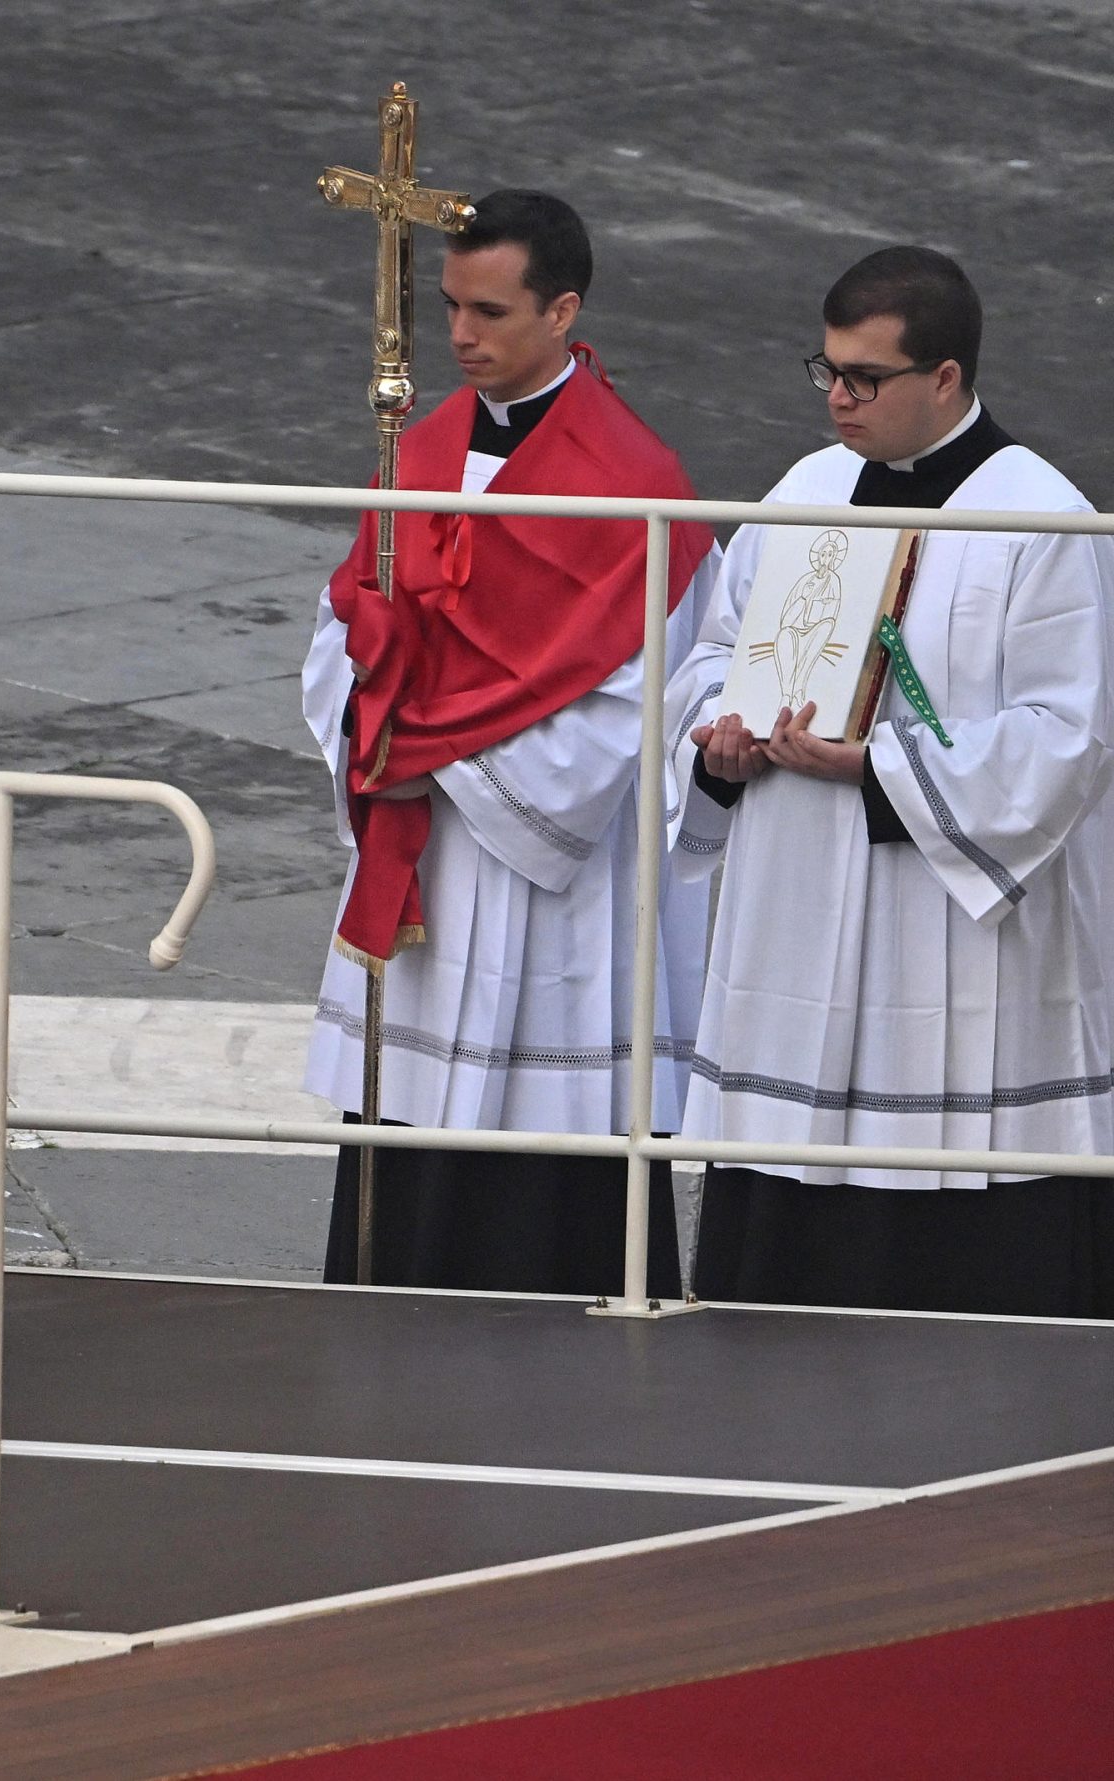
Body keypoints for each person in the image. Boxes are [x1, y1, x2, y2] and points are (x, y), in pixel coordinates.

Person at [669, 247, 1114, 1316]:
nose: (835, 397)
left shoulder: (1041, 517)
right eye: (824, 370)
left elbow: (1070, 736)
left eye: (862, 377)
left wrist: (878, 767)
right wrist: (715, 737)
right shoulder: (805, 487)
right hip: (797, 882)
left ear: (946, 378)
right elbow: (715, 649)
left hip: (944, 916)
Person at [301, 190, 721, 1294]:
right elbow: (339, 628)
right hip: (426, 848)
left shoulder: (634, 487)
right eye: (446, 307)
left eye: (488, 310)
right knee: (408, 1125)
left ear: (562, 310)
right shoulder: (420, 448)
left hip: (547, 883)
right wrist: (374, 700)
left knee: (543, 1156)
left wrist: (423, 733)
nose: (458, 337)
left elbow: (645, 689)